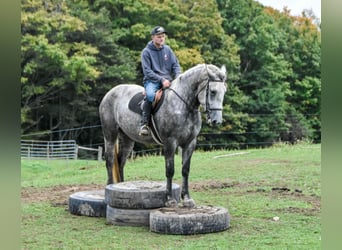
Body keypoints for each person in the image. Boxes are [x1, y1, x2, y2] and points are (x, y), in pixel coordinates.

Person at [139, 26, 182, 136]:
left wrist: (178, 77)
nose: (161, 38)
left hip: (169, 80)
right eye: (159, 37)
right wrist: (161, 80)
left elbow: (176, 65)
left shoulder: (168, 50)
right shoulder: (146, 52)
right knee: (149, 95)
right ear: (153, 37)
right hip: (152, 81)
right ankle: (144, 123)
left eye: (163, 36)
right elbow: (147, 71)